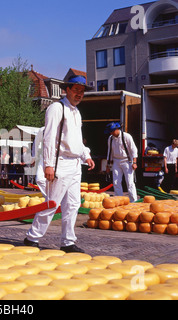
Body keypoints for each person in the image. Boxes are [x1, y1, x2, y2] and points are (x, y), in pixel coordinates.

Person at [24, 75, 95, 253]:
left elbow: (77, 140)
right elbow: (49, 138)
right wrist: (49, 164)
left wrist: (86, 155)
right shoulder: (57, 108)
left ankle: (68, 241)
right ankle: (32, 237)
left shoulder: (76, 112)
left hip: (75, 163)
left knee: (73, 204)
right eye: (76, 90)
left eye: (82, 91)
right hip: (60, 163)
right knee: (52, 203)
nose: (79, 94)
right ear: (68, 89)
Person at [105, 122, 138, 203]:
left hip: (127, 160)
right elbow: (110, 152)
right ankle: (119, 200)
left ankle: (133, 201)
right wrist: (108, 165)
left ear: (117, 129)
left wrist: (134, 162)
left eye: (112, 131)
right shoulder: (110, 138)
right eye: (110, 132)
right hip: (116, 161)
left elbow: (134, 149)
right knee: (116, 182)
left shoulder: (127, 136)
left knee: (129, 182)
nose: (111, 133)